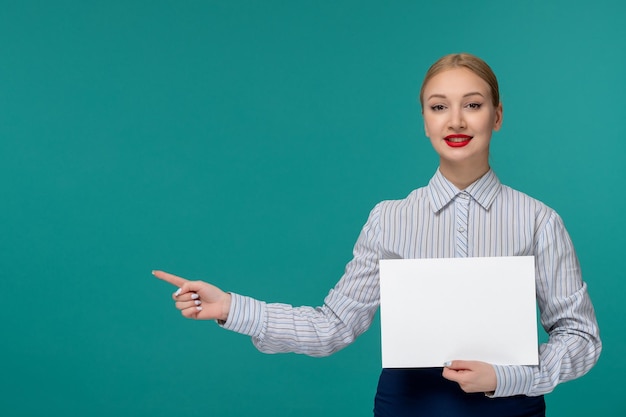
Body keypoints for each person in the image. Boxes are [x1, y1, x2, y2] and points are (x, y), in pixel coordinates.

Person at [153, 53, 601, 417]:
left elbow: (581, 337)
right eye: (439, 106)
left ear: (497, 115)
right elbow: (334, 326)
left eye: (474, 104)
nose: (456, 121)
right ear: (425, 121)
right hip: (408, 407)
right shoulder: (390, 219)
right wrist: (231, 307)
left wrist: (510, 378)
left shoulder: (539, 220)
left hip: (509, 409)